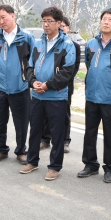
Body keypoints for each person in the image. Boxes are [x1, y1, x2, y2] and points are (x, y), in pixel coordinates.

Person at [20, 7, 76, 181]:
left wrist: (48, 85)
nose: (45, 24)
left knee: (57, 133)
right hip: (37, 95)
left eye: (49, 21)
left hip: (56, 96)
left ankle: (54, 166)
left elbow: (67, 72)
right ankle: (32, 161)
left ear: (59, 23)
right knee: (35, 130)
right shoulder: (38, 43)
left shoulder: (68, 45)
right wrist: (33, 81)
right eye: (43, 21)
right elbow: (29, 66)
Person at [78, 8, 111, 183]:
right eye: (103, 19)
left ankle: (109, 168)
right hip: (92, 97)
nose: (106, 22)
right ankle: (90, 164)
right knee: (90, 132)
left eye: (110, 19)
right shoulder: (91, 44)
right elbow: (88, 65)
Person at [0, 4, 34, 164]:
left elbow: (33, 61)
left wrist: (29, 79)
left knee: (21, 123)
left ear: (13, 16)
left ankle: (21, 151)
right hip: (0, 87)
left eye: (4, 17)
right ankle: (1, 149)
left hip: (20, 87)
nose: (1, 21)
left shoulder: (26, 38)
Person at [39, 16, 81, 153]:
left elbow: (73, 68)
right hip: (46, 85)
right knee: (44, 114)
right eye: (60, 25)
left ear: (68, 28)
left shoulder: (72, 46)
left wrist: (61, 81)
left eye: (64, 26)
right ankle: (45, 138)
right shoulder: (44, 43)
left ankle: (64, 141)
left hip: (64, 86)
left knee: (64, 114)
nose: (61, 28)